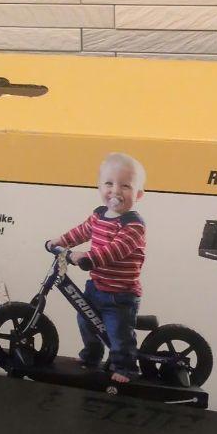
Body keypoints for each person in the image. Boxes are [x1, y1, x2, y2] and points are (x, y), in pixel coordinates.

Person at [47, 152, 147, 382]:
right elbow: (81, 232)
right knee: (86, 321)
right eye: (109, 184)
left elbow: (116, 250)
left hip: (120, 294)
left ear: (139, 194)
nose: (115, 191)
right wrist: (60, 241)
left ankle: (126, 368)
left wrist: (88, 258)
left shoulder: (134, 225)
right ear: (99, 187)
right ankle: (91, 356)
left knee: (118, 332)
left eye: (125, 186)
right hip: (96, 286)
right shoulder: (99, 215)